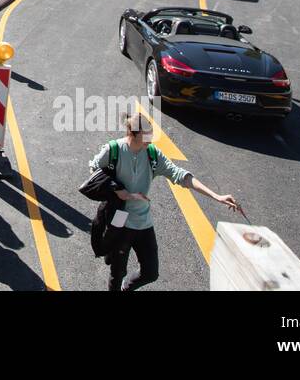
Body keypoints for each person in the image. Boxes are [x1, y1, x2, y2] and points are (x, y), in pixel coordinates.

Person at [89, 112, 243, 291]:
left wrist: (216, 196)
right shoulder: (113, 150)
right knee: (117, 272)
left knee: (151, 273)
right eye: (146, 135)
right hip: (119, 220)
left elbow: (180, 175)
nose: (150, 140)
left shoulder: (152, 154)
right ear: (133, 134)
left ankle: (126, 287)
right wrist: (118, 190)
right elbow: (93, 170)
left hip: (143, 222)